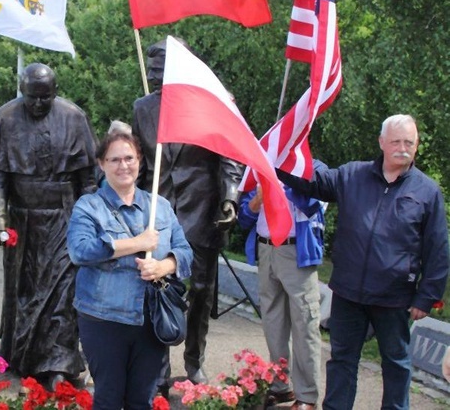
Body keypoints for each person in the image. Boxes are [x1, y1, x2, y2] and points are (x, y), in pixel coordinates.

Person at [276, 114, 449, 410]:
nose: (402, 148)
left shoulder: (427, 192)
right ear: (382, 142)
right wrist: (283, 155)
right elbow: (313, 180)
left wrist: (427, 295)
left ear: (417, 145)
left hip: (394, 297)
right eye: (396, 141)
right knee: (342, 360)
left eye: (409, 142)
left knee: (396, 364)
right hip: (348, 292)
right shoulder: (352, 175)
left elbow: (438, 249)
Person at [0, 62, 97, 390]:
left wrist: (92, 221)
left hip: (63, 219)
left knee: (61, 295)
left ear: (54, 93)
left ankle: (59, 365)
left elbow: (87, 180)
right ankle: (20, 357)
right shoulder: (5, 119)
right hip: (23, 223)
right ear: (22, 91)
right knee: (23, 294)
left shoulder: (73, 117)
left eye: (46, 98)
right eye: (32, 97)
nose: (39, 104)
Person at [132, 37, 243, 389]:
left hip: (202, 210)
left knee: (199, 292)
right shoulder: (143, 108)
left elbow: (230, 155)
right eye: (152, 73)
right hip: (158, 214)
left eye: (161, 72)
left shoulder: (211, 101)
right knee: (159, 289)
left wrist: (230, 198)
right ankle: (159, 365)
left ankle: (194, 360)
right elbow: (137, 163)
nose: (155, 79)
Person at [67, 122, 192, 409]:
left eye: (129, 158)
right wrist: (136, 243)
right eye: (114, 159)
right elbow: (80, 251)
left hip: (151, 320)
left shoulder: (160, 206)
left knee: (142, 400)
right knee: (109, 398)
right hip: (104, 319)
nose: (123, 166)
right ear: (102, 164)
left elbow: (185, 252)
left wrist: (165, 266)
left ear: (140, 161)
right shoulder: (89, 206)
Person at [238, 162, 327, 410]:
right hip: (266, 249)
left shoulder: (311, 167)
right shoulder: (259, 167)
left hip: (297, 251)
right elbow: (244, 217)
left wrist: (284, 186)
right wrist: (258, 198)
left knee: (304, 324)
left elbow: (316, 206)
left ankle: (307, 396)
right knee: (273, 323)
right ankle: (280, 387)